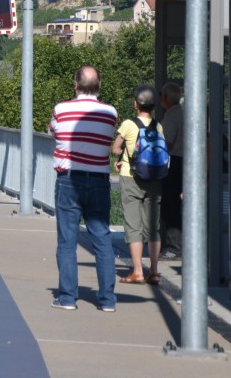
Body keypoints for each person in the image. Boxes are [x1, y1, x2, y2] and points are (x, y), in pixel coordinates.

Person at [49, 65, 118, 312]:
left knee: (67, 240)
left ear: (75, 85)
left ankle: (68, 297)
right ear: (98, 86)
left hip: (68, 180)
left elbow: (53, 131)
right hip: (99, 180)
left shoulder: (61, 109)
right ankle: (107, 300)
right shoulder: (110, 112)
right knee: (102, 239)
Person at [112, 84, 164, 284]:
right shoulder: (158, 126)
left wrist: (123, 154)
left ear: (136, 104)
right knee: (153, 227)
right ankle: (154, 271)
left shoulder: (128, 124)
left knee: (133, 226)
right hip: (154, 178)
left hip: (131, 177)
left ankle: (137, 271)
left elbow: (116, 148)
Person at [156, 81, 183, 259]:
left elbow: (167, 142)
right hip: (185, 162)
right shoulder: (184, 113)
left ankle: (174, 247)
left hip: (174, 162)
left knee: (170, 205)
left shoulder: (172, 116)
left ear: (165, 98)